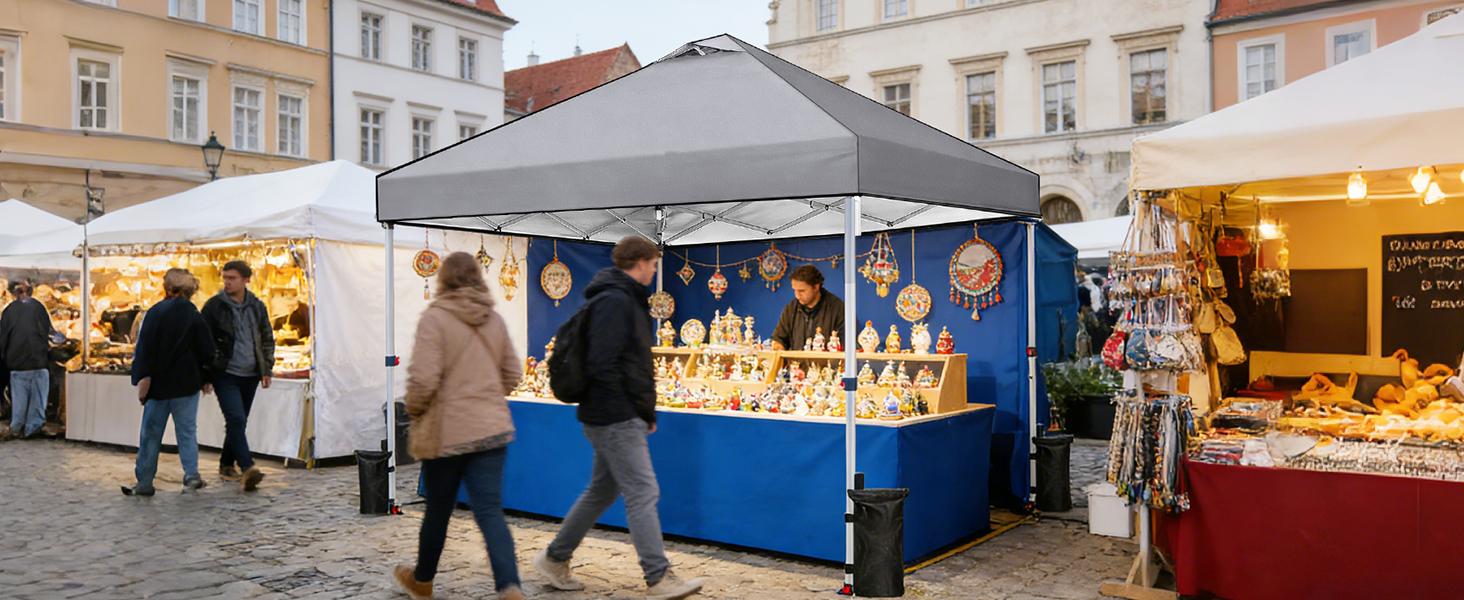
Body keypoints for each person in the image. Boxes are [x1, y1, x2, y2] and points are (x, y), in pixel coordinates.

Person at [534, 236, 705, 600]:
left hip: (612, 413)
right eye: (654, 264)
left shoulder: (620, 298)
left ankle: (554, 558)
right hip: (614, 415)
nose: (655, 271)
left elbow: (629, 362)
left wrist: (644, 410)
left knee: (601, 491)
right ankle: (658, 577)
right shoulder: (615, 301)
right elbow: (605, 363)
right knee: (643, 491)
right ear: (640, 262)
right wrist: (630, 410)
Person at [393, 252, 526, 600]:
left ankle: (423, 581)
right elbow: (513, 374)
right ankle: (510, 586)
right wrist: (486, 396)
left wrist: (415, 409)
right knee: (490, 511)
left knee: (438, 510)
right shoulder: (494, 319)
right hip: (492, 430)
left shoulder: (434, 319)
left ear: (443, 279)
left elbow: (423, 380)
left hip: (447, 432)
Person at [123, 269, 215, 496]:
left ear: (167, 288)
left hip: (159, 385)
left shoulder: (155, 312)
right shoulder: (193, 314)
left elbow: (144, 350)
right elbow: (206, 349)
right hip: (187, 384)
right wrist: (206, 378)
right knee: (186, 431)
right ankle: (191, 476)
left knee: (151, 434)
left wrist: (141, 380)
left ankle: (145, 482)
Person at [201, 260, 275, 491]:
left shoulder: (257, 306)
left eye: (232, 278)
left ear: (246, 280)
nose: (227, 282)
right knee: (236, 418)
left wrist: (266, 368)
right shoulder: (214, 307)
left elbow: (266, 337)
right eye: (225, 278)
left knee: (239, 421)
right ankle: (247, 467)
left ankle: (226, 463)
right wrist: (206, 375)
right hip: (225, 372)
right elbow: (203, 341)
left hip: (250, 373)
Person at [0, 281, 54, 440]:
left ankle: (17, 427)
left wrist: (5, 357)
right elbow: (49, 332)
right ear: (30, 291)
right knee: (38, 399)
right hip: (38, 361)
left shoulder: (9, 310)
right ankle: (33, 427)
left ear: (13, 293)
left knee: (19, 400)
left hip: (17, 364)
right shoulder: (38, 307)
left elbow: (3, 337)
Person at [770, 265, 844, 351]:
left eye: (801, 291)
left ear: (816, 287)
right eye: (794, 290)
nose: (797, 296)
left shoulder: (837, 308)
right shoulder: (791, 308)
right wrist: (777, 347)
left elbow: (846, 345)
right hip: (796, 360)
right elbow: (779, 339)